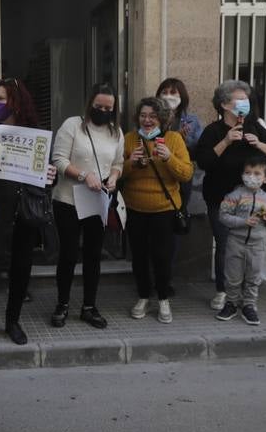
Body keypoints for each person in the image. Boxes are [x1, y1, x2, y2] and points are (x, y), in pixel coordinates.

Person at [0, 78, 51, 344]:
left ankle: (12, 321)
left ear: (17, 101)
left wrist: (51, 174)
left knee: (21, 271)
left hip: (24, 215)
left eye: (1, 99)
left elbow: (44, 176)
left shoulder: (34, 135)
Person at [193, 80, 266, 311]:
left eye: (246, 100)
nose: (245, 104)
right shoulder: (213, 131)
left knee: (254, 242)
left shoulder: (254, 126)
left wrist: (259, 143)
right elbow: (204, 161)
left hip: (255, 198)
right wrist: (226, 141)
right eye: (239, 100)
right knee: (225, 245)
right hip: (222, 198)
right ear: (224, 104)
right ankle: (224, 291)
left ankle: (248, 290)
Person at [50, 84, 124, 329]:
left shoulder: (116, 133)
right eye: (99, 106)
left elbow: (118, 162)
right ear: (90, 103)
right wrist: (83, 176)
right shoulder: (72, 125)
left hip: (97, 200)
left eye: (108, 108)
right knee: (69, 254)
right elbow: (58, 160)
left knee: (94, 255)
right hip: (68, 200)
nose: (103, 111)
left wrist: (113, 177)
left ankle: (89, 306)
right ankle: (62, 304)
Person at [121, 97, 194, 322]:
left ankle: (163, 299)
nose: (147, 120)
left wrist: (169, 158)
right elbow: (115, 174)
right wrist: (130, 163)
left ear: (161, 118)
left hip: (164, 209)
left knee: (162, 256)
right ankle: (143, 296)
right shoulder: (130, 139)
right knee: (139, 256)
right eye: (143, 116)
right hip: (135, 208)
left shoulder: (173, 139)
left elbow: (186, 173)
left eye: (152, 116)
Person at [215, 154, 266, 325]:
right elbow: (223, 216)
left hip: (257, 245)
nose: (252, 177)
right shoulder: (234, 195)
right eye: (248, 172)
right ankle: (231, 303)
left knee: (254, 276)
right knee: (233, 276)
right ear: (242, 175)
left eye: (257, 173)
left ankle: (249, 306)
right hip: (235, 242)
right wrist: (243, 222)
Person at [157, 77, 203, 222]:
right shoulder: (152, 118)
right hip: (159, 170)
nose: (168, 96)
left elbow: (199, 149)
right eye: (164, 92)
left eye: (173, 92)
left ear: (181, 96)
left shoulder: (192, 120)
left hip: (181, 172)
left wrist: (183, 141)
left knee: (179, 210)